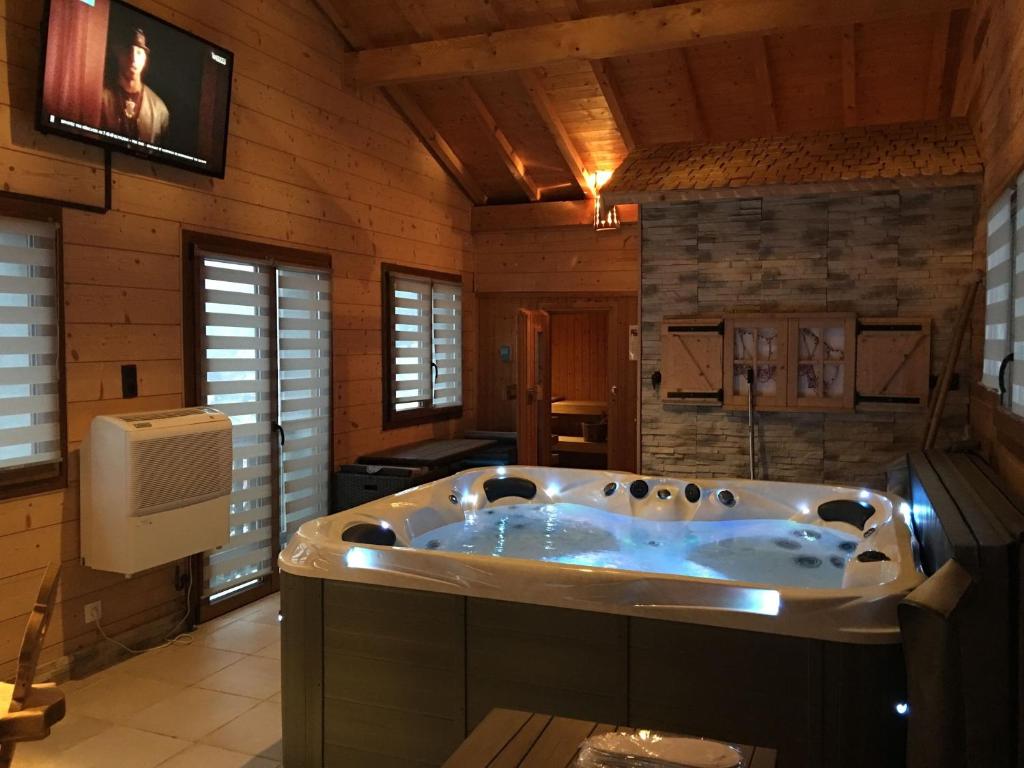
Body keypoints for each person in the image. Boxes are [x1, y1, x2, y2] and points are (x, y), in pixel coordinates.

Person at [100, 27, 169, 145]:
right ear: (119, 54)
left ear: (145, 58)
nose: (133, 58)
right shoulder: (101, 97)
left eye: (139, 52)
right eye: (128, 50)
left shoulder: (159, 109)